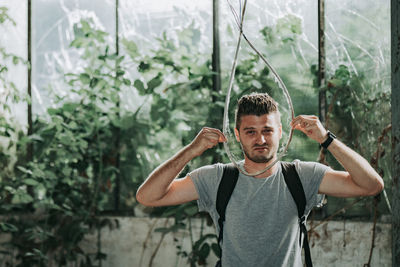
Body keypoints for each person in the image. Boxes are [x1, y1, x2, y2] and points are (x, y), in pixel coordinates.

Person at [136, 93, 384, 266]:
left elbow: (371, 185)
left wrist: (326, 139)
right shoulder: (218, 178)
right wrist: (191, 150)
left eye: (267, 130)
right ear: (237, 135)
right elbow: (147, 196)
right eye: (250, 132)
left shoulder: (302, 176)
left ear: (280, 132)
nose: (261, 140)